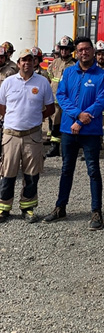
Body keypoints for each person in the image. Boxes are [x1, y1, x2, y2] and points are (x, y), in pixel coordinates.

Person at [42, 37, 104, 228]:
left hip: (90, 130)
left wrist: (83, 119)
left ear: (93, 52)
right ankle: (60, 207)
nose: (83, 53)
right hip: (68, 129)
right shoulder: (69, 72)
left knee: (93, 171)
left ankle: (96, 212)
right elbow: (61, 96)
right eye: (80, 50)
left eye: (87, 49)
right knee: (66, 170)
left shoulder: (101, 75)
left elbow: (101, 100)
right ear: (76, 52)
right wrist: (77, 115)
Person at [0, 49, 54, 223]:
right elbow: (2, 107)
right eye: (23, 60)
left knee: (32, 174)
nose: (27, 63)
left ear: (34, 62)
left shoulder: (42, 83)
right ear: (18, 63)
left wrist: (34, 119)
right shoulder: (8, 82)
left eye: (30, 60)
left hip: (33, 135)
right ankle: (3, 208)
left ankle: (28, 208)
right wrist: (14, 119)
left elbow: (50, 108)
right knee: (7, 173)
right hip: (11, 135)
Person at [45, 36, 76, 157]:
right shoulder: (54, 63)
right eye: (62, 48)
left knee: (68, 124)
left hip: (68, 101)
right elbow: (49, 78)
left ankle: (67, 148)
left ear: (71, 50)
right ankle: (54, 147)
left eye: (66, 49)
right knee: (55, 123)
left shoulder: (74, 65)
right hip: (55, 100)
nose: (64, 51)